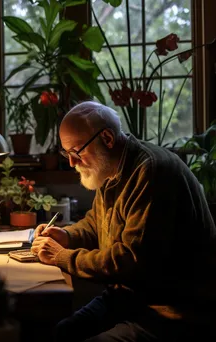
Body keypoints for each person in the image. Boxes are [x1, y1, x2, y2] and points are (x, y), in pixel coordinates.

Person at [31, 101, 216, 342]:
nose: (72, 162)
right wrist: (66, 236)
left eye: (77, 152)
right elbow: (95, 224)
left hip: (172, 314)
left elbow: (130, 260)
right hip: (129, 298)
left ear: (106, 138)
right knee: (61, 332)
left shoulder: (151, 172)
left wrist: (61, 256)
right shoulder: (110, 167)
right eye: (67, 153)